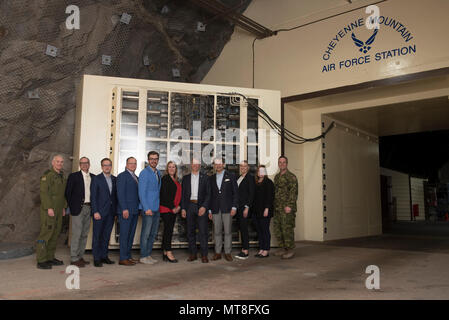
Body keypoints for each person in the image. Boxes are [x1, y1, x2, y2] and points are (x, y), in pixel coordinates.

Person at [36, 155, 67, 270]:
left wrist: (64, 207)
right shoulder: (48, 175)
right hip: (49, 209)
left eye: (61, 162)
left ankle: (50, 257)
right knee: (46, 234)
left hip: (59, 209)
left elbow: (62, 194)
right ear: (53, 162)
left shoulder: (61, 176)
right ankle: (41, 260)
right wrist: (49, 207)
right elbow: (44, 193)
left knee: (55, 234)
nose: (60, 163)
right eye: (57, 161)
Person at [65, 157, 95, 268]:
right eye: (82, 163)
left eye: (86, 163)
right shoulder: (73, 176)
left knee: (84, 234)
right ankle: (73, 258)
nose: (84, 165)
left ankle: (80, 256)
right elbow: (68, 193)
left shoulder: (93, 177)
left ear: (89, 164)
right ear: (79, 165)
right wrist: (72, 207)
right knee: (76, 234)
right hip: (78, 208)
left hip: (89, 207)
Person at [180, 159, 211, 263]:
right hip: (189, 206)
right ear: (191, 165)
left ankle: (204, 255)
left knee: (203, 232)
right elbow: (183, 195)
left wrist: (204, 207)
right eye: (193, 163)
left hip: (201, 206)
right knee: (190, 232)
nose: (195, 165)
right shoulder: (185, 178)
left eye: (197, 164)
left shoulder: (206, 178)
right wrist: (183, 208)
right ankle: (193, 254)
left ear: (200, 165)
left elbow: (208, 194)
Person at [208, 158, 238, 262]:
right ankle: (217, 252)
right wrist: (210, 210)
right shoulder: (211, 178)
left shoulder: (231, 176)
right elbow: (210, 195)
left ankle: (228, 252)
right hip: (215, 209)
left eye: (220, 164)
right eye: (216, 164)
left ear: (224, 164)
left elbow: (235, 193)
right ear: (214, 166)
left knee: (228, 231)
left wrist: (234, 207)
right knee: (216, 232)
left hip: (228, 209)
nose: (218, 166)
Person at [90, 158, 118, 267]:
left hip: (111, 212)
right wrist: (95, 211)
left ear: (111, 166)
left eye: (109, 165)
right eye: (105, 165)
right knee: (97, 235)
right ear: (102, 167)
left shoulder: (115, 179)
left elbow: (115, 197)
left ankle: (104, 256)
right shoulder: (96, 179)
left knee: (106, 235)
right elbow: (93, 197)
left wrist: (116, 211)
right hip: (99, 213)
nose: (107, 167)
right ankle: (96, 258)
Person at [138, 151, 162, 265]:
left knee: (153, 234)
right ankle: (143, 256)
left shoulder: (158, 173)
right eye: (152, 159)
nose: (154, 161)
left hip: (156, 208)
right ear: (148, 160)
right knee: (146, 233)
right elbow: (141, 193)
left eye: (156, 158)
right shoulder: (144, 173)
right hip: (148, 208)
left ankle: (148, 254)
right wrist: (146, 208)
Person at [273, 156, 298, 259]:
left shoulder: (291, 177)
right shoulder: (277, 177)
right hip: (278, 208)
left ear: (286, 164)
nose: (282, 164)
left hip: (286, 208)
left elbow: (294, 193)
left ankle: (290, 249)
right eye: (280, 162)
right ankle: (283, 248)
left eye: (283, 162)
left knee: (287, 229)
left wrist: (290, 206)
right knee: (278, 229)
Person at [116, 157, 140, 266]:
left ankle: (128, 256)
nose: (133, 165)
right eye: (131, 163)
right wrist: (124, 208)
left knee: (131, 235)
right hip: (126, 211)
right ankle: (123, 258)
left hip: (134, 210)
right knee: (124, 235)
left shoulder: (136, 177)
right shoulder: (122, 176)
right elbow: (120, 194)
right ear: (126, 164)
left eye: (134, 163)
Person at [159, 161, 181, 263]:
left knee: (168, 230)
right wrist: (173, 207)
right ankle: (168, 252)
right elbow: (164, 195)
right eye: (170, 167)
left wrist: (179, 206)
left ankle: (164, 251)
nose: (172, 169)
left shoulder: (176, 180)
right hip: (167, 209)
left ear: (176, 169)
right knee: (168, 231)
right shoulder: (165, 179)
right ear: (167, 169)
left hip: (174, 209)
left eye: (173, 167)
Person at [253, 165, 274, 258]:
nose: (261, 173)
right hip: (256, 211)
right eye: (259, 171)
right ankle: (261, 249)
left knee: (265, 230)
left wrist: (267, 208)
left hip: (265, 211)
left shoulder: (269, 183)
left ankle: (266, 250)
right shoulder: (256, 183)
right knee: (259, 231)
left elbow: (270, 197)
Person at [235, 160, 255, 260]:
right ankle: (243, 249)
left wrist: (247, 207)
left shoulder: (250, 178)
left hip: (244, 208)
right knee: (241, 228)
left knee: (244, 229)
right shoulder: (239, 178)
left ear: (248, 168)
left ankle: (246, 250)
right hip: (239, 207)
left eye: (245, 166)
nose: (243, 167)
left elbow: (251, 194)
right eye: (241, 166)